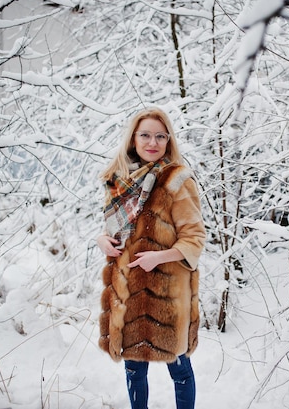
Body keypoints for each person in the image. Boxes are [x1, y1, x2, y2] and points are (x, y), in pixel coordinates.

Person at [96, 107, 206, 409]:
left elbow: (195, 238)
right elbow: (114, 231)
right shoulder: (119, 181)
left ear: (168, 140)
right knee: (133, 367)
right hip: (128, 288)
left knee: (179, 368)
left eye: (160, 136)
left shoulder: (176, 181)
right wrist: (101, 240)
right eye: (145, 135)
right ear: (133, 139)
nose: (152, 142)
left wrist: (158, 258)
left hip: (167, 294)